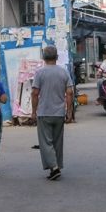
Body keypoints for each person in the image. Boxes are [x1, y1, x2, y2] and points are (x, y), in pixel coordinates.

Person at [31, 45, 74, 181]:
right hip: (59, 113)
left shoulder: (40, 73)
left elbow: (35, 93)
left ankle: (54, 168)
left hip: (44, 112)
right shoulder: (64, 72)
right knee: (57, 142)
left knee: (46, 143)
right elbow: (69, 93)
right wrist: (69, 112)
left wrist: (33, 112)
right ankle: (55, 168)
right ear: (57, 57)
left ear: (43, 57)